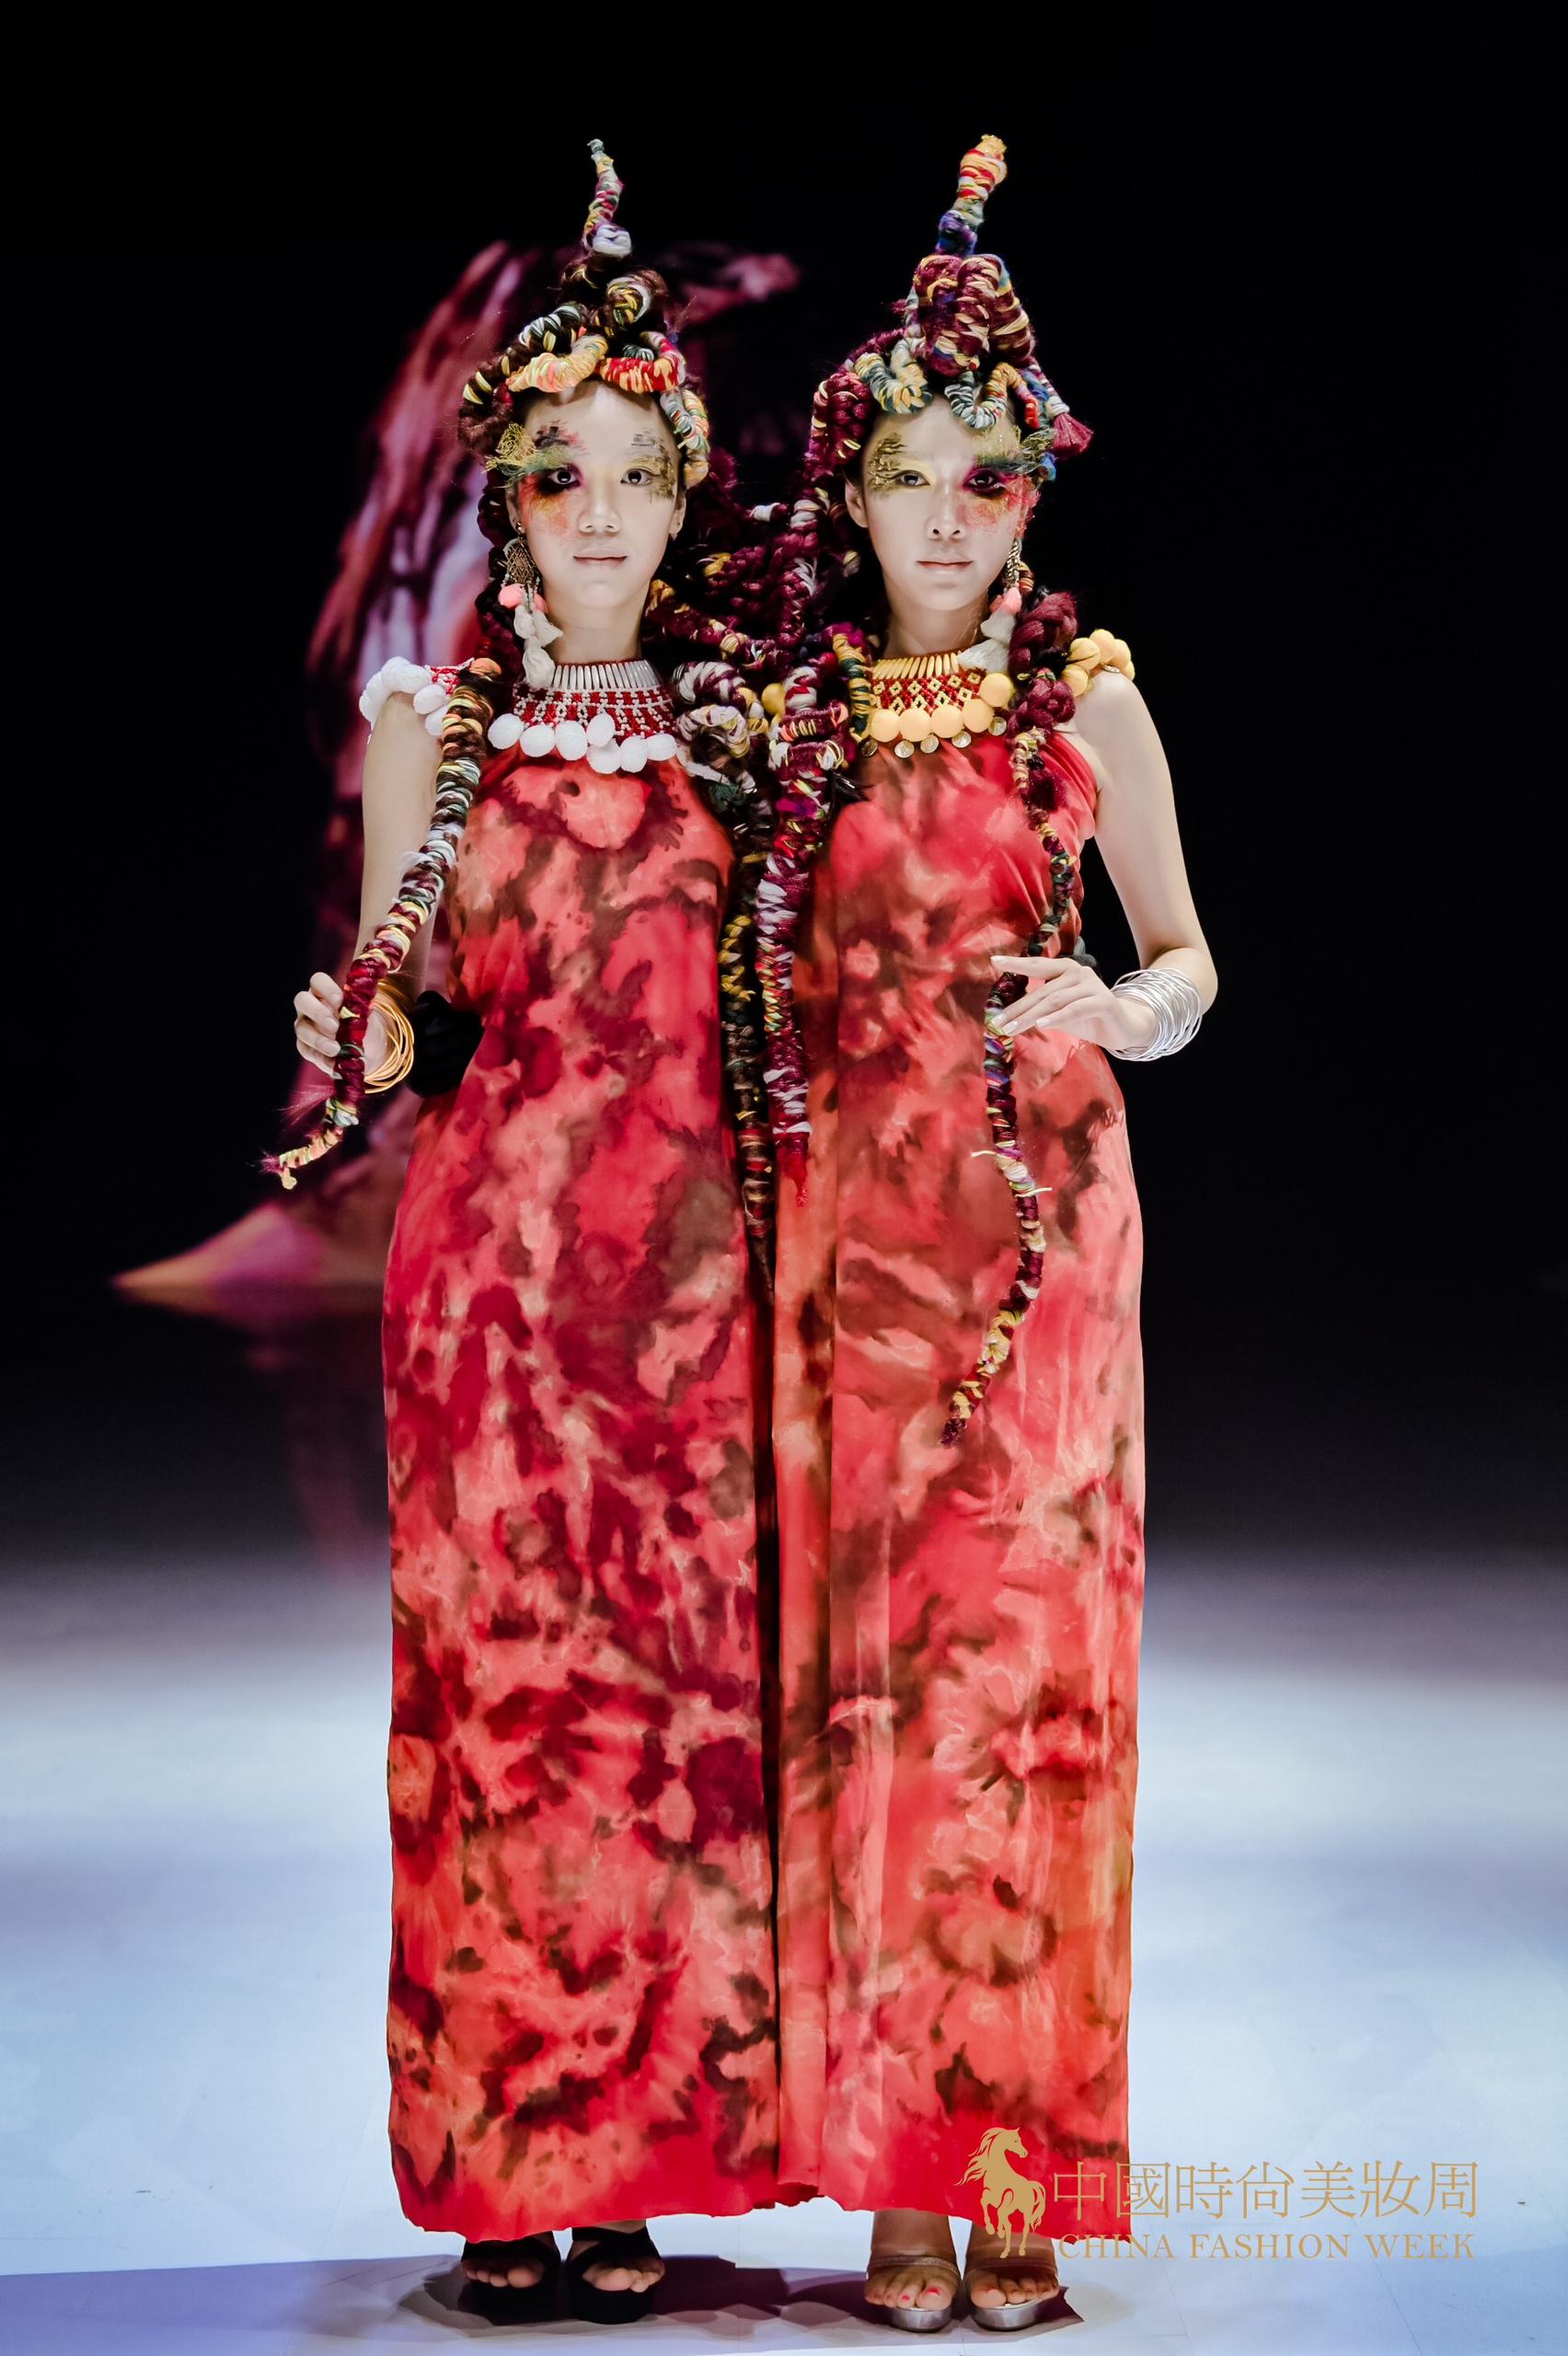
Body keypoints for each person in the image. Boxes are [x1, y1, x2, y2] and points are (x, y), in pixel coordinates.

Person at [276, 143, 779, 2328]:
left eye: (635, 475)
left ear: (684, 500)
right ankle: (507, 2167)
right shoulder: (433, 728)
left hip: (689, 1297)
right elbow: (401, 1005)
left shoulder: (736, 735)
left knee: (667, 1719)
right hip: (492, 1293)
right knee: (506, 1715)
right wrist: (351, 1024)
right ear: (508, 492)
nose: (598, 511)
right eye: (560, 471)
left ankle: (634, 2155)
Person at [752, 135, 1218, 2333]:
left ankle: (1013, 2147)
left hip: (1044, 1241)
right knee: (878, 1700)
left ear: (1034, 496)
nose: (952, 515)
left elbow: (1193, 960)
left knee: (1028, 1688)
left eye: (992, 479)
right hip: (858, 1251)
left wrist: (1117, 1002)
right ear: (851, 495)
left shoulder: (1086, 698)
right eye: (914, 478)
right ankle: (896, 2175)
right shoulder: (798, 720)